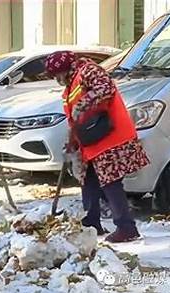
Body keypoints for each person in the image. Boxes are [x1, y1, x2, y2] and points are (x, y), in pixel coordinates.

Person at [45, 50, 150, 243]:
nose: (57, 79)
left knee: (110, 181)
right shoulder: (69, 88)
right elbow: (74, 121)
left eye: (57, 74)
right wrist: (72, 144)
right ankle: (91, 223)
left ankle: (127, 228)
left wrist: (83, 104)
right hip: (92, 142)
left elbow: (105, 89)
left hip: (110, 136)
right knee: (89, 180)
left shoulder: (88, 70)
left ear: (65, 69)